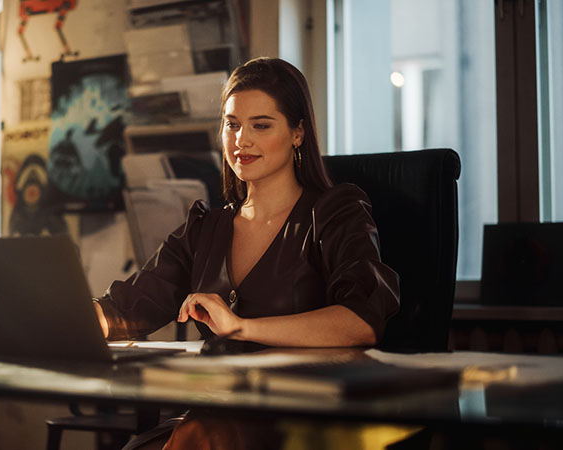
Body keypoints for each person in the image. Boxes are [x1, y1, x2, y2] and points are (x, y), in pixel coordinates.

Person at [93, 57, 401, 448]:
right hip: (217, 412)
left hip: (303, 421)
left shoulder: (336, 211)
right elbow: (126, 309)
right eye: (232, 124)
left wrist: (242, 326)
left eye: (261, 125)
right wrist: (68, 318)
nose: (241, 140)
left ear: (298, 133)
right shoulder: (206, 227)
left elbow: (361, 320)